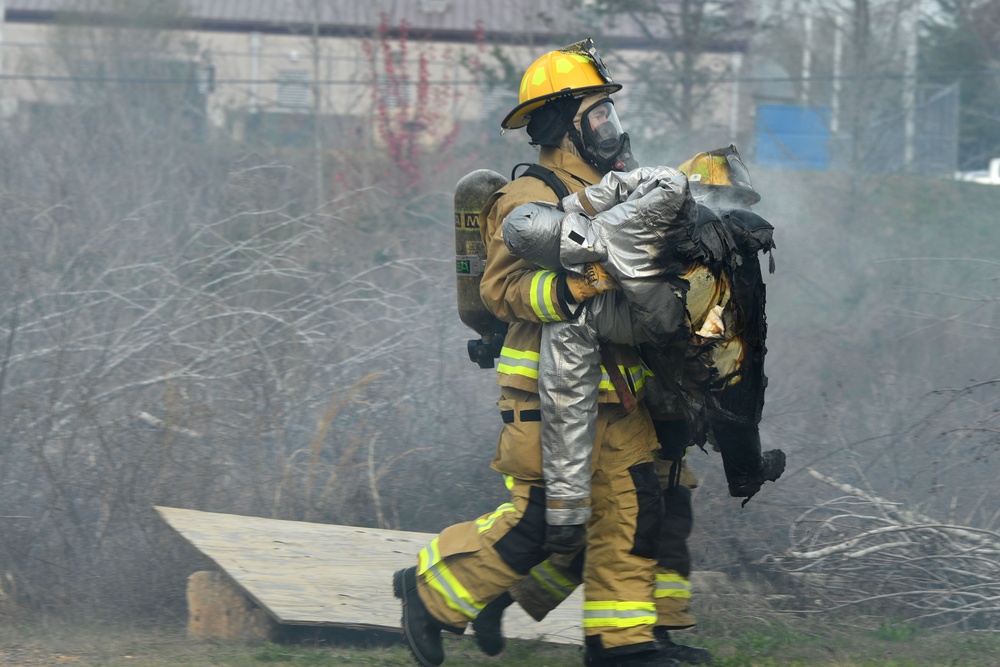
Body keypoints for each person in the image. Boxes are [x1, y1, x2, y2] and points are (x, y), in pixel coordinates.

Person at [393, 39, 680, 667]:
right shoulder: (529, 199)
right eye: (597, 114)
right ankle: (430, 591)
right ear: (562, 124)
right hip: (546, 396)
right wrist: (579, 283)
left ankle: (620, 647)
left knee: (634, 506)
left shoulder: (612, 190)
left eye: (609, 112)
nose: (611, 125)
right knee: (541, 521)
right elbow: (501, 289)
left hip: (615, 389)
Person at [469, 146, 785, 665]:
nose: (724, 210)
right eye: (717, 197)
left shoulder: (712, 266)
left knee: (656, 523)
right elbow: (668, 338)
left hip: (660, 416)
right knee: (612, 528)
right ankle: (523, 605)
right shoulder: (664, 252)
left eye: (733, 201)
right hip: (639, 411)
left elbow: (717, 358)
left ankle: (649, 634)